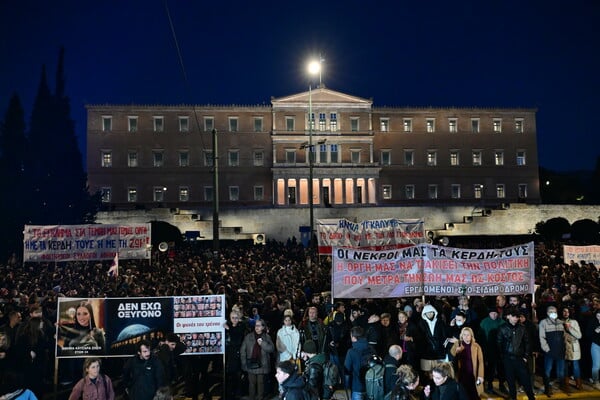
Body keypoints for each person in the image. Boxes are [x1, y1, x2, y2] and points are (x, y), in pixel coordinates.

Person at [496, 307, 535, 400]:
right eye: (514, 316)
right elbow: (498, 343)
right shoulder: (502, 328)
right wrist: (503, 358)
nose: (516, 319)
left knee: (526, 382)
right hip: (508, 359)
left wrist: (525, 356)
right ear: (508, 316)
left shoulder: (522, 328)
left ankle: (531, 397)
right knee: (511, 382)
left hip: (520, 359)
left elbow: (527, 343)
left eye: (517, 317)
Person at [240, 318, 274, 400]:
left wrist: (263, 344)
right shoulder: (248, 336)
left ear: (263, 327)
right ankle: (251, 397)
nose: (257, 327)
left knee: (260, 383)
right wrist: (244, 363)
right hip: (251, 363)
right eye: (256, 325)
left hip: (262, 363)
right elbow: (243, 350)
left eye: (259, 325)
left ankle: (260, 398)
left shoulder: (266, 337)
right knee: (251, 383)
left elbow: (271, 349)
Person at [417, 304, 449, 381]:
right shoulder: (421, 323)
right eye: (427, 313)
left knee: (439, 372)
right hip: (427, 352)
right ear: (424, 314)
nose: (430, 314)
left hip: (439, 350)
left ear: (434, 313)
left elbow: (444, 335)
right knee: (428, 374)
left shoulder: (440, 322)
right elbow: (420, 337)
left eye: (431, 312)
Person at [538, 304, 566, 395]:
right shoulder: (543, 323)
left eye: (554, 312)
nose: (553, 313)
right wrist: (546, 349)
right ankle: (547, 388)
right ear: (547, 313)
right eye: (550, 312)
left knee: (561, 370)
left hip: (560, 350)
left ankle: (562, 385)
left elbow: (564, 336)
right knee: (547, 370)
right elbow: (541, 337)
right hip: (549, 351)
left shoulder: (561, 322)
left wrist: (564, 347)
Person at [450, 327, 483, 400]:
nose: (466, 336)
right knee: (463, 395)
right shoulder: (457, 344)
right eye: (464, 335)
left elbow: (481, 362)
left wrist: (480, 376)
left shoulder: (476, 346)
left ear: (471, 336)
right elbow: (451, 357)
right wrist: (457, 352)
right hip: (461, 375)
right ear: (461, 335)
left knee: (474, 395)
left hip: (473, 376)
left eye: (468, 335)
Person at [477, 307, 505, 394]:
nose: (494, 314)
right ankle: (489, 385)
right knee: (490, 368)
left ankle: (501, 384)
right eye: (492, 313)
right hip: (489, 349)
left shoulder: (502, 322)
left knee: (501, 368)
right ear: (489, 314)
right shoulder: (484, 322)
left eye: (496, 313)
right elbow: (480, 337)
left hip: (500, 350)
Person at [344, 326, 374, 400]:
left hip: (357, 387)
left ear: (354, 337)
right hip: (371, 386)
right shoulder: (371, 348)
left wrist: (346, 386)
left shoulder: (351, 352)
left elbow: (346, 370)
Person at [224, 308, 247, 400]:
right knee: (231, 374)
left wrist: (229, 329)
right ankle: (231, 392)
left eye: (236, 318)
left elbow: (237, 335)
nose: (234, 319)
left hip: (238, 353)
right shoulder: (228, 325)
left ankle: (238, 392)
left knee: (238, 374)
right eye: (233, 318)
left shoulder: (241, 326)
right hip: (230, 353)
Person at [562, 306, 582, 391]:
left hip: (573, 347)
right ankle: (566, 384)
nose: (565, 313)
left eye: (567, 311)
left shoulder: (574, 322)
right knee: (565, 366)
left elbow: (579, 335)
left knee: (575, 366)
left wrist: (569, 328)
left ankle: (578, 383)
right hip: (564, 347)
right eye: (564, 311)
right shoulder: (559, 322)